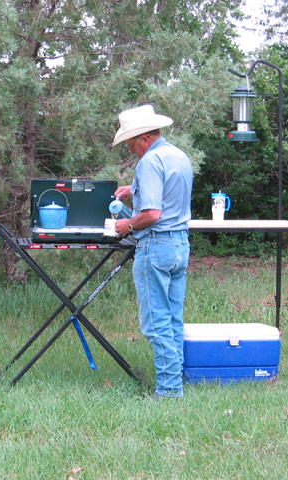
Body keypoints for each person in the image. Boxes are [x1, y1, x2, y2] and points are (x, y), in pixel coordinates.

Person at [112, 104, 193, 399]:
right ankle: (178, 381)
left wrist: (128, 226)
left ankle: (169, 391)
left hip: (156, 246)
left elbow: (152, 213)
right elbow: (168, 199)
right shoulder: (178, 156)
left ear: (144, 138)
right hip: (180, 245)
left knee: (155, 323)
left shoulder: (149, 162)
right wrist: (132, 190)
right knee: (173, 319)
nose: (132, 151)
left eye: (132, 144)